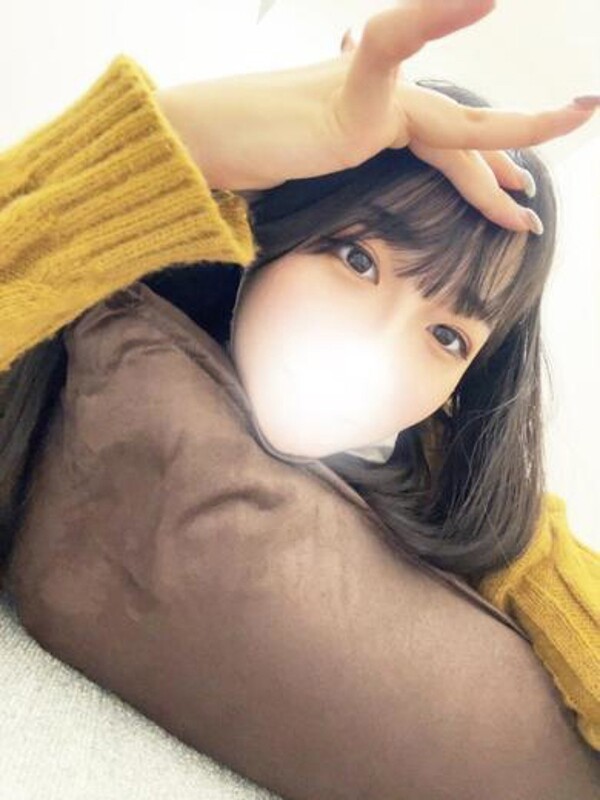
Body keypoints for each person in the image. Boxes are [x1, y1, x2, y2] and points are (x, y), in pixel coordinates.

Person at [0, 0, 598, 751]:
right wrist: (188, 138)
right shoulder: (94, 305)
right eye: (358, 260)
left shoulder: (469, 496)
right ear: (275, 235)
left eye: (448, 337)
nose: (378, 350)